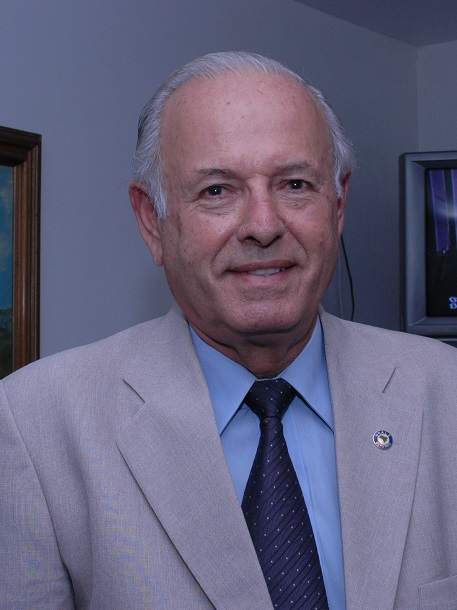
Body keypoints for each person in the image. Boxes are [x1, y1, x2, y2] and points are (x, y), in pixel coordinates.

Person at [1, 51, 457, 610]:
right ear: (151, 222)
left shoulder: (446, 392)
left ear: (338, 207)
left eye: (294, 183)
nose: (263, 226)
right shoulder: (35, 424)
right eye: (217, 190)